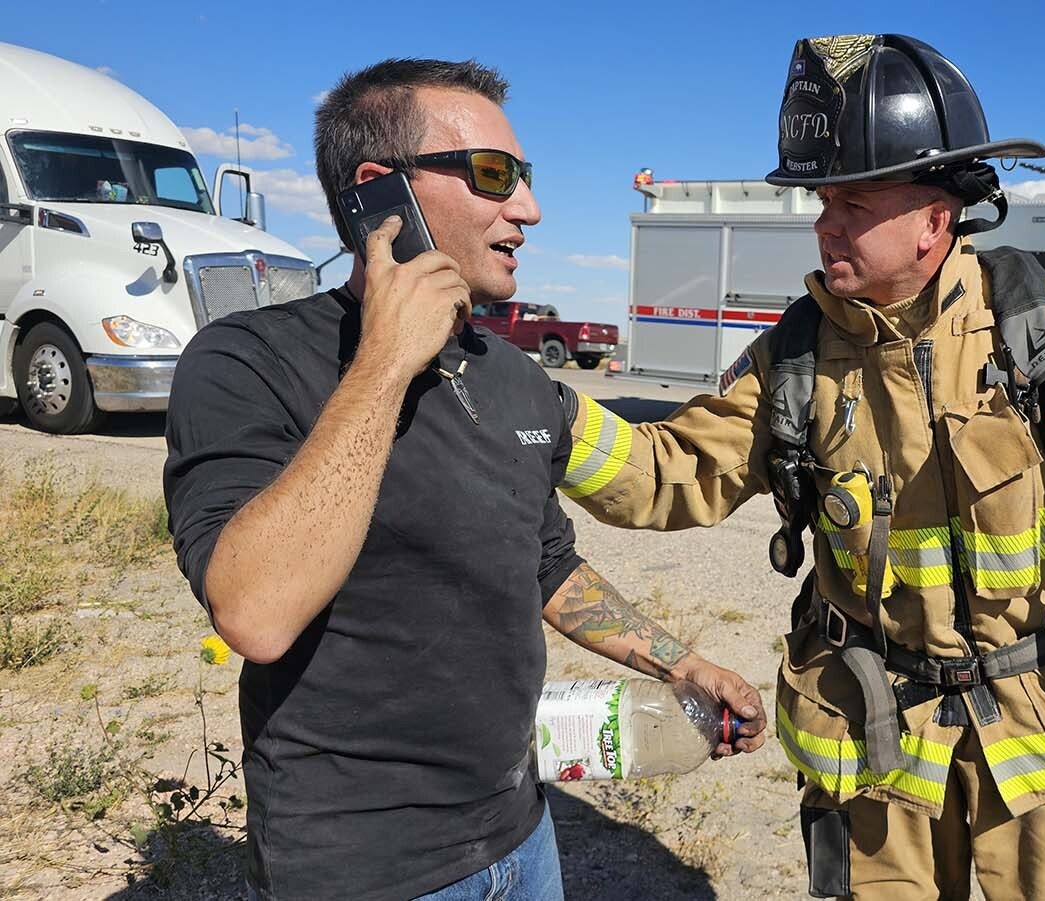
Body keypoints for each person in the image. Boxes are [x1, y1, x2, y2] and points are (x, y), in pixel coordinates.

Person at [550, 34, 1045, 900]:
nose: (824, 223)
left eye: (853, 203)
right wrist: (543, 418)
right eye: (821, 201)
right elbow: (665, 472)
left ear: (935, 220)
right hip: (877, 746)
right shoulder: (790, 358)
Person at [162, 58, 766, 901]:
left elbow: (546, 563)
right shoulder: (247, 363)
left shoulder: (513, 378)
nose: (529, 207)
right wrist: (383, 361)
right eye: (494, 175)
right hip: (362, 869)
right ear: (381, 193)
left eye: (526, 178)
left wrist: (680, 663)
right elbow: (254, 611)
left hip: (523, 842)